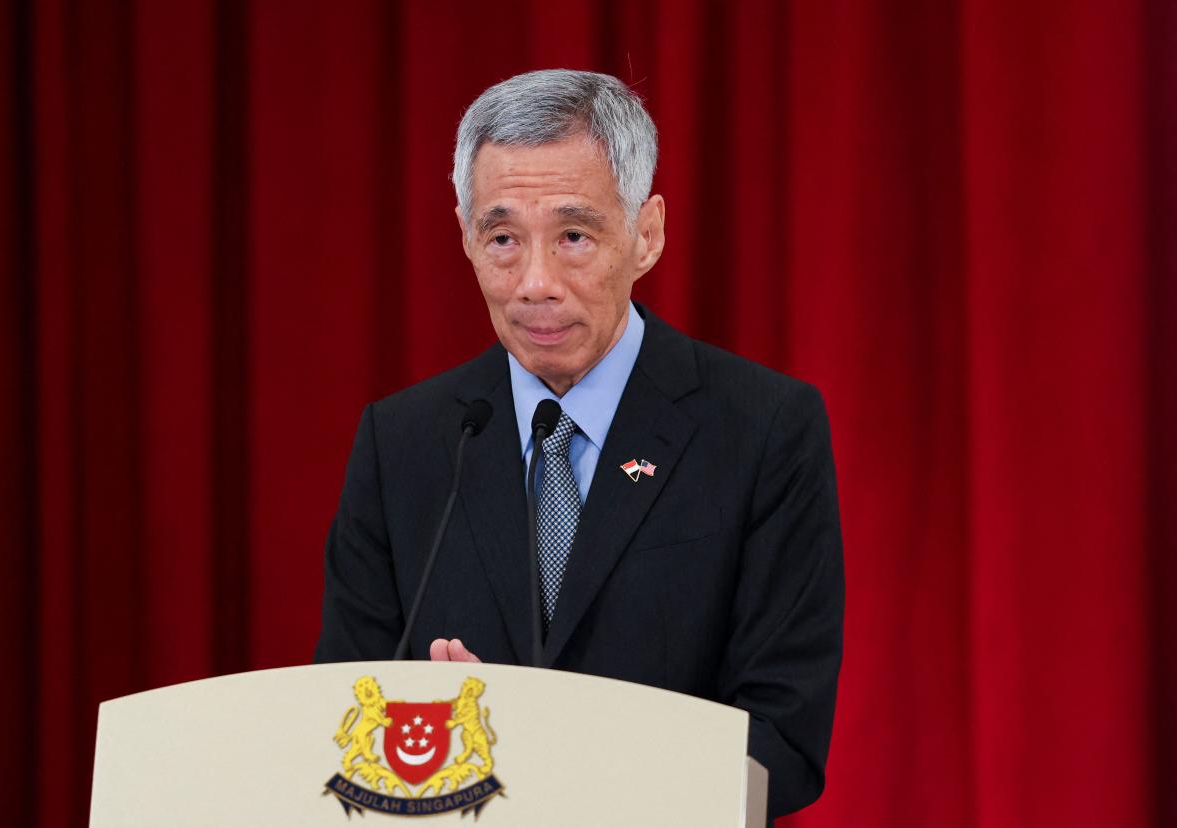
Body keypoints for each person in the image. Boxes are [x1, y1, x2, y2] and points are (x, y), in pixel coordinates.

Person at [314, 69, 844, 818]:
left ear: (647, 233)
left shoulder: (761, 429)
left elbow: (783, 747)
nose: (535, 282)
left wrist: (531, 743)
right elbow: (341, 718)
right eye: (502, 239)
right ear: (466, 238)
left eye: (572, 236)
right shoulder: (404, 443)